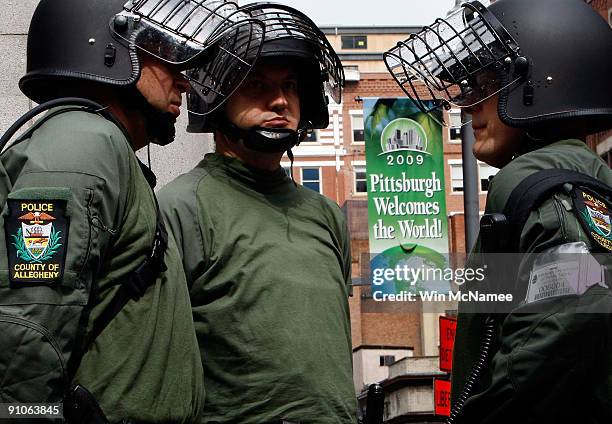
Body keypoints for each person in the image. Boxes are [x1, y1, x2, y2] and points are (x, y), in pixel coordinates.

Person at [0, 0, 263, 422]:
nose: (185, 81)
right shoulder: (82, 143)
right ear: (107, 50)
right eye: (164, 52)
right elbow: (27, 327)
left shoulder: (100, 149)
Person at [384, 0, 612, 423]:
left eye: (485, 85)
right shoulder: (581, 182)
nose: (468, 106)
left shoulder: (541, 184)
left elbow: (575, 315)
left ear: (539, 85)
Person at [158, 3, 357, 423]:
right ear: (217, 97)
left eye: (290, 85)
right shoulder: (180, 207)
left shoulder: (326, 214)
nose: (281, 100)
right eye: (257, 85)